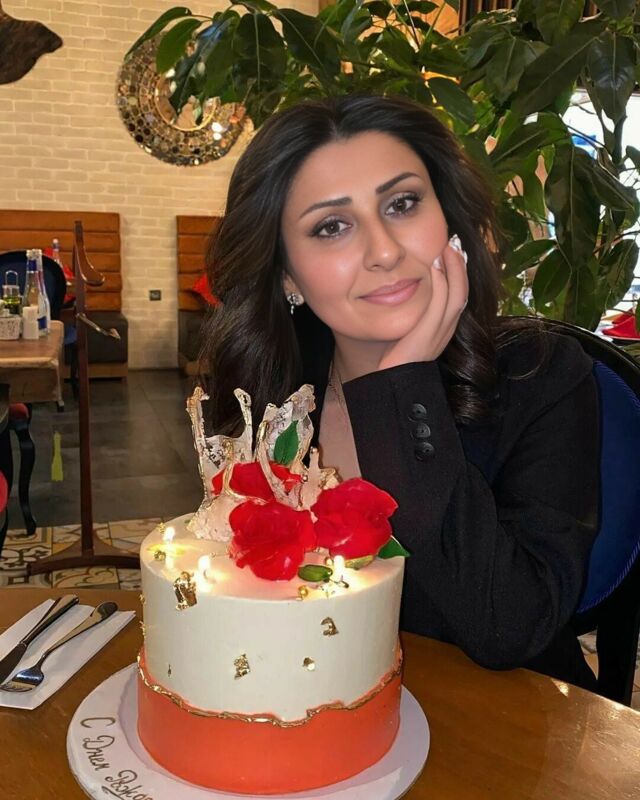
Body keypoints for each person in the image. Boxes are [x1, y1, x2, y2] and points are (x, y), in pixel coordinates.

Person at [201, 94, 599, 692]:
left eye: (403, 203)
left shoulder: (541, 376)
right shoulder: (270, 398)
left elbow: (508, 629)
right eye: (332, 227)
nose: (385, 251)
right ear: (287, 274)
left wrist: (401, 388)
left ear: (450, 222)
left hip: (507, 723)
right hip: (314, 712)